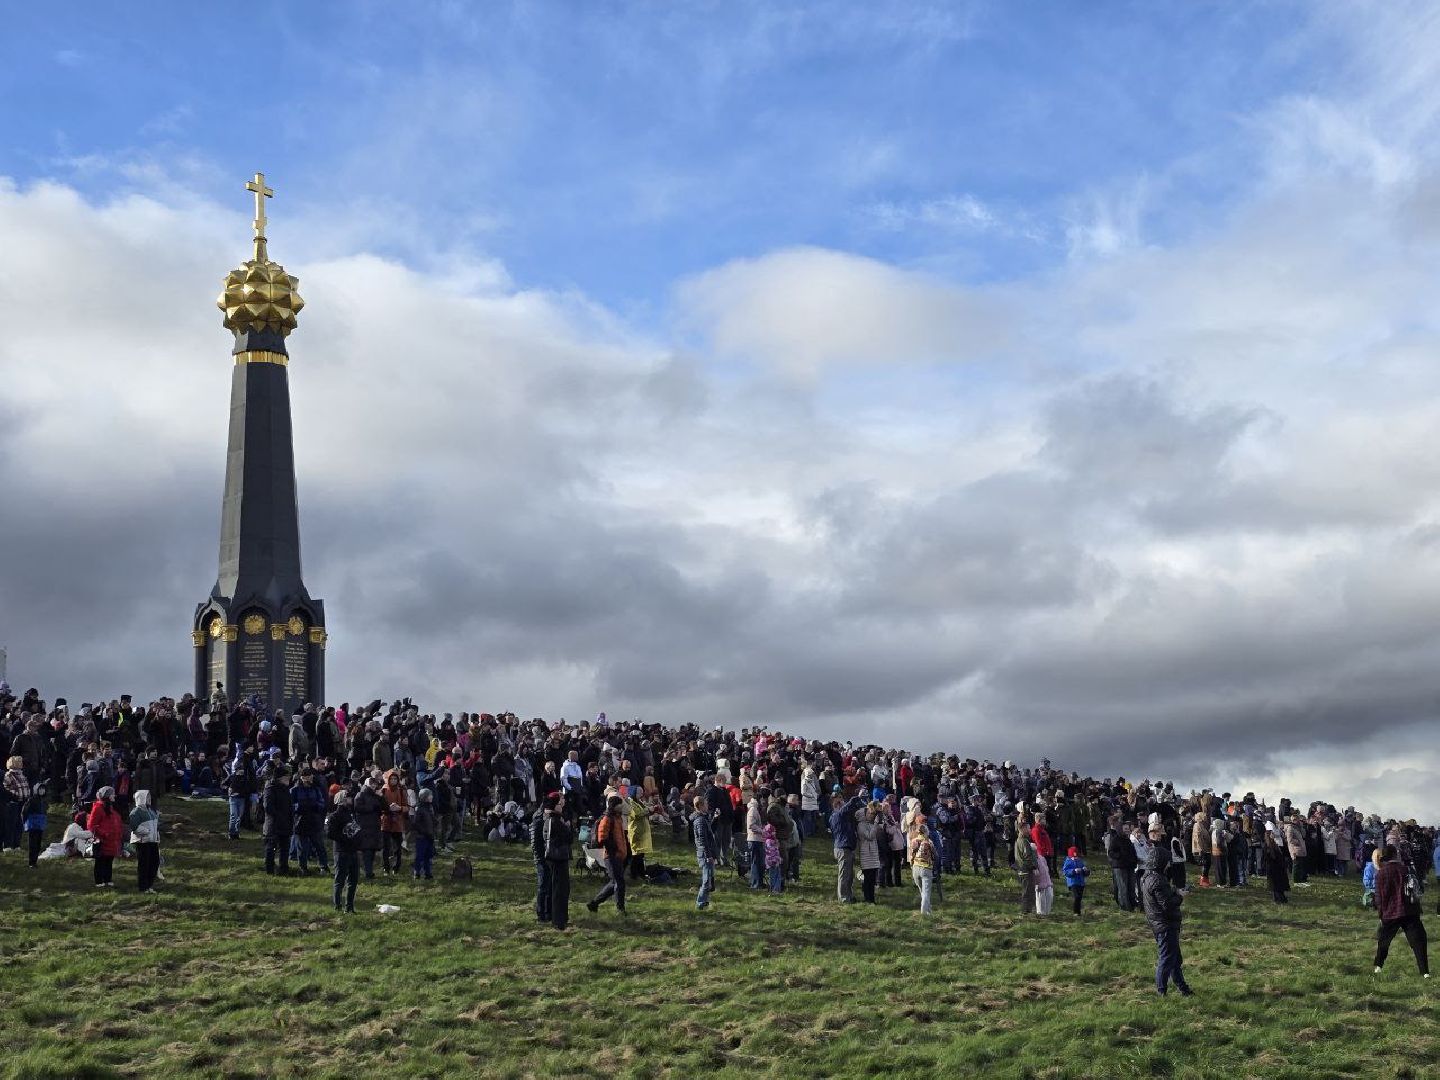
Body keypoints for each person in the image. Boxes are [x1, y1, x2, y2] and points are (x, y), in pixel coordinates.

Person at [1140, 847, 1193, 996]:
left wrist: (1175, 892)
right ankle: (1161, 991)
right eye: (1167, 862)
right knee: (1167, 958)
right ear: (1160, 862)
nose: (1169, 865)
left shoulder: (1148, 876)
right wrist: (1181, 896)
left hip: (1160, 923)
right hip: (1165, 924)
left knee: (1174, 959)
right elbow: (1168, 905)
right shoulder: (1157, 880)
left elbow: (1162, 899)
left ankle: (1183, 988)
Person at [1372, 844, 1429, 978]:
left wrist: (1381, 914)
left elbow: (1379, 897)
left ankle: (1378, 966)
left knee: (1384, 941)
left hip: (1390, 912)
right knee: (1418, 941)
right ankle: (1425, 971)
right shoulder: (1407, 869)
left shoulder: (1381, 873)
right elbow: (1418, 887)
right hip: (1410, 910)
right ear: (1395, 855)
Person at [587, 795, 629, 915]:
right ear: (614, 806)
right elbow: (602, 838)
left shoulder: (618, 818)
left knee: (613, 883)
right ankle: (620, 909)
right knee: (619, 883)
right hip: (611, 856)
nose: (622, 806)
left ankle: (594, 904)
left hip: (619, 855)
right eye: (620, 804)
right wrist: (614, 849)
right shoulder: (607, 818)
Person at [542, 793, 573, 930]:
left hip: (557, 857)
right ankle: (559, 920)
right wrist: (567, 826)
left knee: (561, 888)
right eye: (559, 804)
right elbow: (568, 837)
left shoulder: (554, 819)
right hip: (557, 857)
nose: (562, 806)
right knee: (559, 890)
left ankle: (561, 917)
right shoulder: (554, 821)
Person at [326, 790, 360, 914]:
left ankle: (349, 907)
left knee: (353, 880)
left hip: (352, 850)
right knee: (340, 879)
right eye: (348, 798)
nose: (351, 799)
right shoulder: (334, 816)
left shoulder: (351, 814)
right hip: (341, 851)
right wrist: (344, 837)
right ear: (342, 800)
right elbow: (330, 833)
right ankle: (338, 905)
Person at [829, 793, 866, 904]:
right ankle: (844, 898)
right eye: (841, 803)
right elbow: (850, 805)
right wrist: (858, 796)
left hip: (846, 847)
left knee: (849, 875)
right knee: (844, 874)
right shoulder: (837, 815)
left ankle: (849, 896)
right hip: (842, 848)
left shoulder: (843, 817)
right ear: (837, 806)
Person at [86, 786, 124, 888]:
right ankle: (99, 880)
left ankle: (108, 879)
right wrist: (103, 833)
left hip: (111, 840)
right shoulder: (98, 807)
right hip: (102, 840)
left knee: (109, 860)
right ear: (107, 795)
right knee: (101, 861)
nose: (114, 795)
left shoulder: (110, 807)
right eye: (112, 793)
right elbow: (91, 825)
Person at [260, 767, 293, 876]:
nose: (289, 779)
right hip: (273, 824)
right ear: (280, 778)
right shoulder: (270, 788)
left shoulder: (286, 789)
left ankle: (284, 869)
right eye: (286, 777)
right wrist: (280, 816)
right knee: (271, 848)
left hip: (285, 824)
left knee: (284, 849)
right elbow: (268, 807)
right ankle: (269, 870)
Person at [129, 789, 161, 893]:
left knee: (154, 862)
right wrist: (146, 831)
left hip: (153, 841)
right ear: (141, 799)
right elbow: (134, 826)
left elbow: (156, 826)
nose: (149, 799)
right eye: (147, 797)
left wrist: (157, 835)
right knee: (144, 864)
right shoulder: (136, 812)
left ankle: (149, 885)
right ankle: (143, 887)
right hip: (142, 842)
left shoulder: (151, 811)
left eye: (150, 797)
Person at [692, 795, 718, 910]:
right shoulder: (700, 821)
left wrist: (715, 819)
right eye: (706, 804)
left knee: (710, 880)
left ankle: (705, 901)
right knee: (706, 881)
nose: (708, 806)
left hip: (708, 853)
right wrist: (708, 856)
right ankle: (700, 903)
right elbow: (702, 839)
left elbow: (709, 831)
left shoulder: (704, 818)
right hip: (704, 854)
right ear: (701, 806)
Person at [858, 802, 884, 904]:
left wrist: (879, 822)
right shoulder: (861, 825)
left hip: (873, 854)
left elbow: (880, 831)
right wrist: (876, 825)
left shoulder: (873, 824)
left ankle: (871, 899)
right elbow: (869, 836)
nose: (871, 815)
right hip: (866, 855)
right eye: (869, 814)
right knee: (867, 878)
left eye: (872, 814)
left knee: (872, 878)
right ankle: (867, 899)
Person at [909, 824, 936, 915]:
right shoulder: (929, 842)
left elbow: (911, 856)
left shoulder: (913, 841)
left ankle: (928, 911)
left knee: (922, 892)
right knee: (926, 893)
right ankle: (924, 913)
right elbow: (935, 855)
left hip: (915, 868)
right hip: (926, 869)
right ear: (926, 832)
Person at [1015, 815, 1038, 914]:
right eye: (1028, 828)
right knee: (1027, 892)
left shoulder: (1022, 841)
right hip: (1025, 871)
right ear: (1023, 829)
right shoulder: (1023, 841)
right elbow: (1027, 856)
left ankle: (1028, 910)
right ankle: (1025, 911)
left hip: (1023, 870)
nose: (1030, 830)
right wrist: (1033, 866)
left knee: (1028, 891)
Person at [412, 788, 436, 880]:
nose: (432, 797)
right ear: (425, 797)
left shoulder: (430, 807)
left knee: (428, 855)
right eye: (430, 795)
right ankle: (417, 872)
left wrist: (435, 823)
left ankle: (428, 873)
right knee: (420, 855)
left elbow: (431, 820)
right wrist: (424, 832)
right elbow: (416, 823)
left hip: (429, 835)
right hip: (422, 836)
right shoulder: (420, 809)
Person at [1264, 827, 1289, 904]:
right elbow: (1269, 857)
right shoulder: (1268, 846)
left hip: (1279, 867)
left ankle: (1282, 897)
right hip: (1273, 868)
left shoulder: (1274, 843)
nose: (1273, 834)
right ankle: (1277, 899)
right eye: (1271, 833)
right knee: (1275, 885)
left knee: (1280, 884)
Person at [1062, 845, 1089, 916]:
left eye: (1076, 856)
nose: (1075, 858)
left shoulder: (1080, 861)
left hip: (1081, 882)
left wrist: (1085, 870)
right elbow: (1065, 871)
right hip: (1073, 882)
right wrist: (1074, 871)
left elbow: (1085, 871)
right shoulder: (1068, 861)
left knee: (1079, 897)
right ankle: (1075, 912)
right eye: (1073, 857)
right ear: (1070, 856)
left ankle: (1078, 911)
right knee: (1076, 896)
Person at [1033, 840, 1055, 915]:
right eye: (1033, 851)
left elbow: (1046, 870)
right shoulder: (1031, 861)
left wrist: (1050, 881)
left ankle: (1047, 914)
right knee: (1040, 901)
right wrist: (1036, 885)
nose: (1035, 852)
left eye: (1035, 850)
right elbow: (1034, 875)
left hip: (1048, 883)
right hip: (1039, 885)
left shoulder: (1041, 858)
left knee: (1050, 897)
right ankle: (1041, 915)